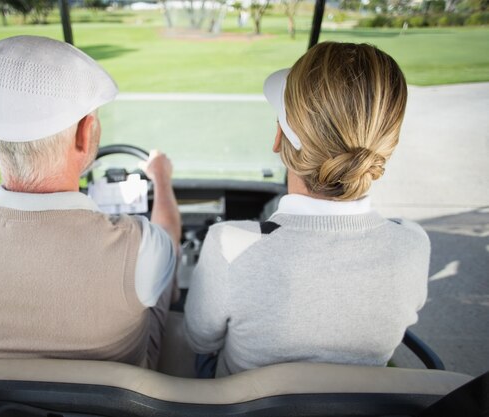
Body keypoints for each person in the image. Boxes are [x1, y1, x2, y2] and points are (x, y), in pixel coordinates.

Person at [0, 35, 181, 370]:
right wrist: (161, 179)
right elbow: (169, 240)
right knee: (158, 297)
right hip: (116, 402)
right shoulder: (140, 247)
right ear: (85, 133)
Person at [183, 42, 430, 377]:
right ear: (385, 147)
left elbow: (199, 340)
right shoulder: (412, 244)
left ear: (278, 138)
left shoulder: (228, 245)